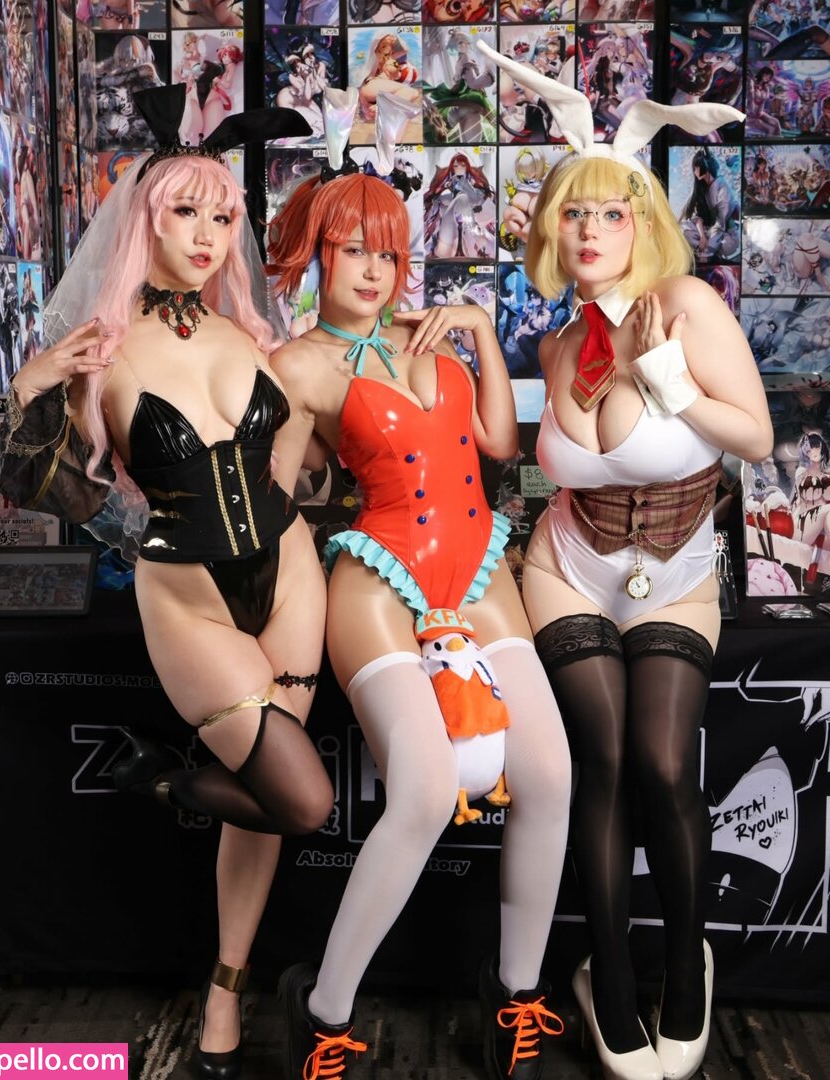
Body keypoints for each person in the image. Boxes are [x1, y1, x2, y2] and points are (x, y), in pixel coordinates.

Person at [0, 87, 334, 1080]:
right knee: (301, 799)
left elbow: (304, 470)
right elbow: (47, 487)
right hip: (187, 595)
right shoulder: (101, 352)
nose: (207, 235)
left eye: (222, 216)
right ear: (144, 218)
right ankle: (157, 776)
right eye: (185, 212)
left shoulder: (247, 336)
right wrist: (29, 387)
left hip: (292, 574)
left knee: (265, 795)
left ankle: (224, 993)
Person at [478, 41, 773, 1080]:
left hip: (679, 568)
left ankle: (687, 974)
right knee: (599, 763)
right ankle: (605, 980)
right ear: (553, 230)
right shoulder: (556, 345)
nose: (592, 231)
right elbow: (536, 466)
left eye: (612, 213)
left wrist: (668, 379)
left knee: (661, 764)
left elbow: (757, 438)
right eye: (575, 214)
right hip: (568, 563)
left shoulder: (688, 308)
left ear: (643, 225)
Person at [266, 169, 571, 1080]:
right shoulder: (295, 365)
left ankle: (514, 993)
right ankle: (323, 1011)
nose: (374, 271)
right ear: (319, 255)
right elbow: (272, 504)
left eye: (390, 254)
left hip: (479, 569)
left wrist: (481, 330)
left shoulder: (434, 336)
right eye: (354, 250)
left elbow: (501, 447)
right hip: (377, 578)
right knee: (428, 792)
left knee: (551, 773)